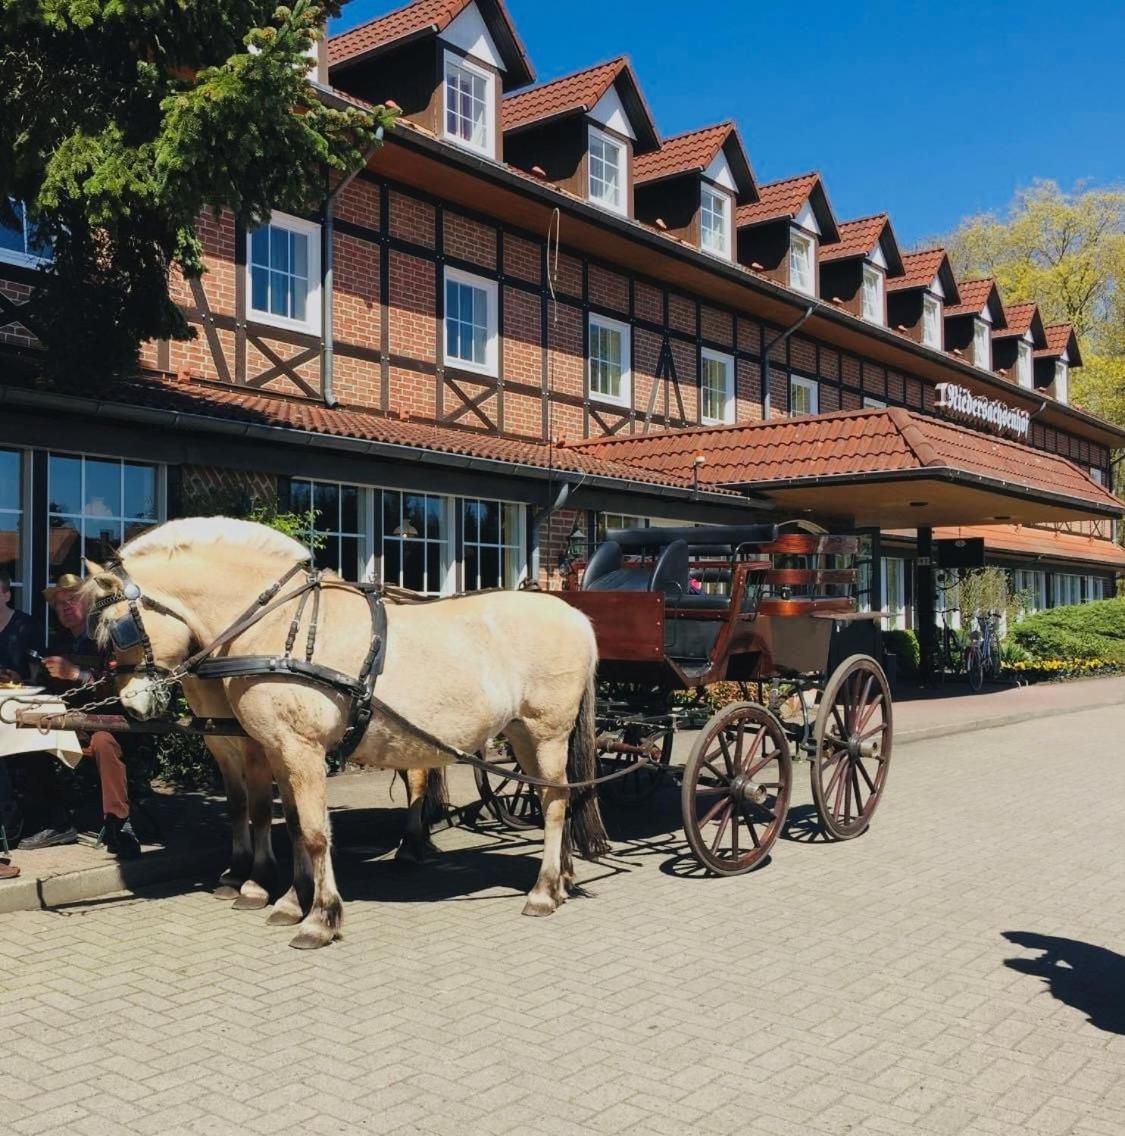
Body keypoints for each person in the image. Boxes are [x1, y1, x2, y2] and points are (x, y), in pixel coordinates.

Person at [17, 574, 139, 858]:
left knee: (104, 743)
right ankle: (57, 822)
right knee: (29, 739)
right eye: (59, 603)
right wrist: (25, 678)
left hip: (110, 723)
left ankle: (119, 825)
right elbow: (51, 687)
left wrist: (76, 674)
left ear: (89, 602)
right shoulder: (60, 642)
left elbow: (122, 686)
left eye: (72, 600)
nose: (64, 607)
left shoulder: (110, 639)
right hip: (68, 723)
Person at [0, 570, 41, 879]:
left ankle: (11, 825)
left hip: (22, 701)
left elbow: (35, 672)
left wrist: (21, 678)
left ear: (6, 594)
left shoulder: (24, 624)